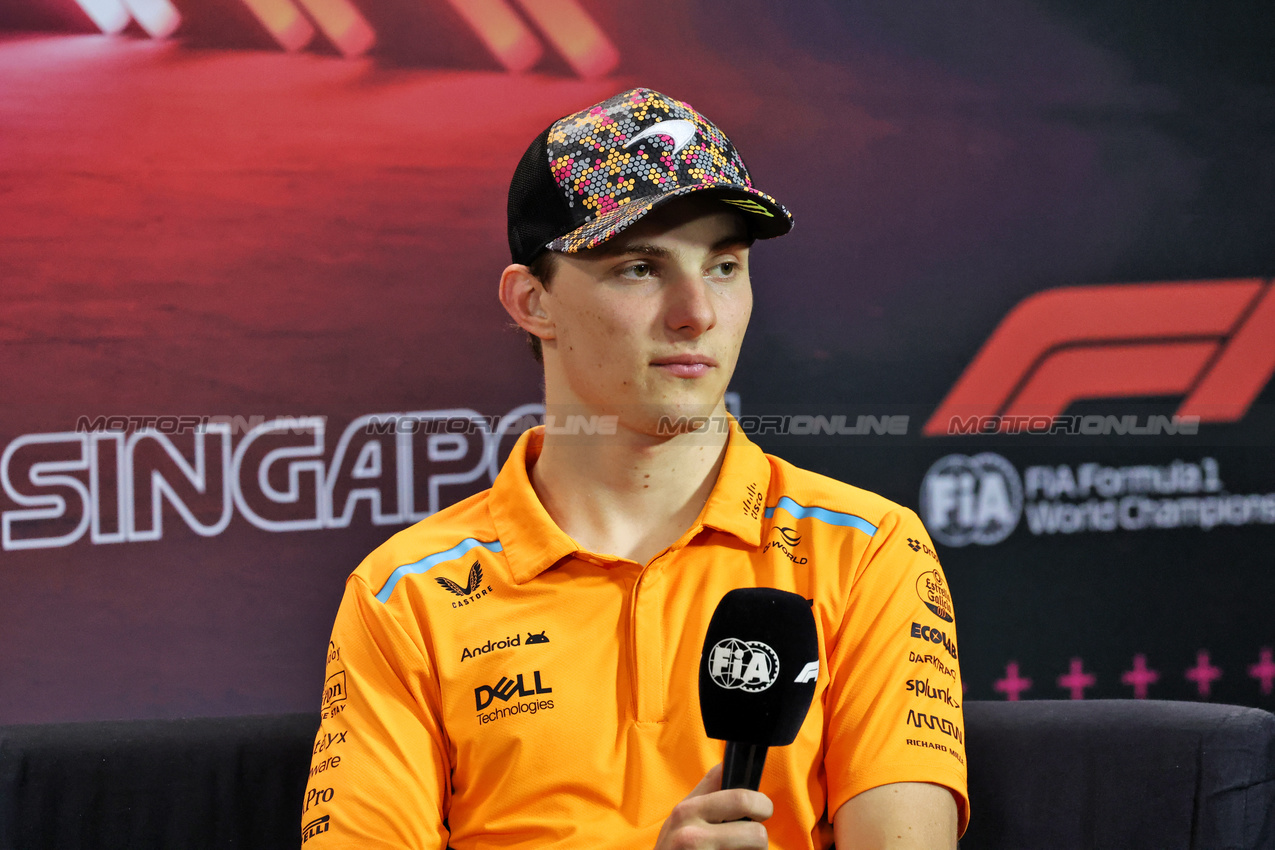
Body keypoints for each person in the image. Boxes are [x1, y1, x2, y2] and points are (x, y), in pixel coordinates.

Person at [302, 87, 968, 849]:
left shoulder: (867, 549)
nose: (696, 312)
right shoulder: (405, 594)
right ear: (532, 303)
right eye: (638, 268)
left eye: (723, 266)